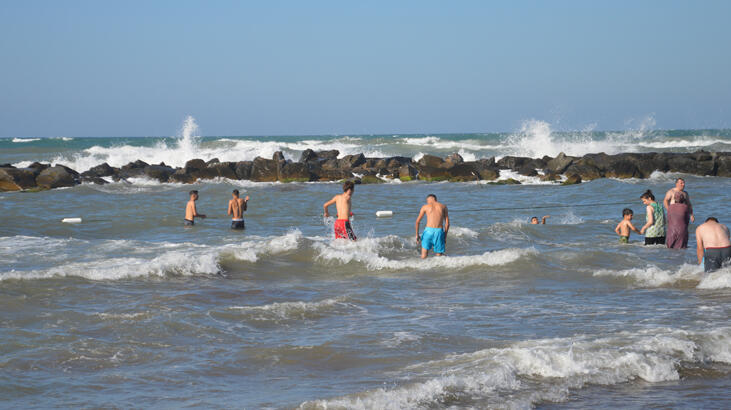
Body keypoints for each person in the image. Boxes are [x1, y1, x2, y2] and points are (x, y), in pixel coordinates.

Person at [415, 194, 450, 258]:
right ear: (435, 199)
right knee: (439, 255)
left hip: (428, 231)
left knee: (423, 255)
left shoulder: (425, 207)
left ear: (429, 199)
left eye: (427, 201)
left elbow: (417, 222)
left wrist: (417, 235)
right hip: (439, 231)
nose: (427, 202)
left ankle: (423, 266)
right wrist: (445, 237)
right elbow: (447, 224)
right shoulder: (443, 206)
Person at [663, 178, 695, 249]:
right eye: (681, 183)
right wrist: (668, 210)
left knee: (683, 230)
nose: (683, 184)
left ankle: (682, 247)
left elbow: (689, 204)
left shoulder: (685, 193)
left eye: (683, 183)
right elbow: (665, 201)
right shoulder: (671, 191)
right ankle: (671, 246)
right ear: (676, 184)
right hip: (673, 215)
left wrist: (692, 215)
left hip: (683, 215)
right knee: (673, 230)